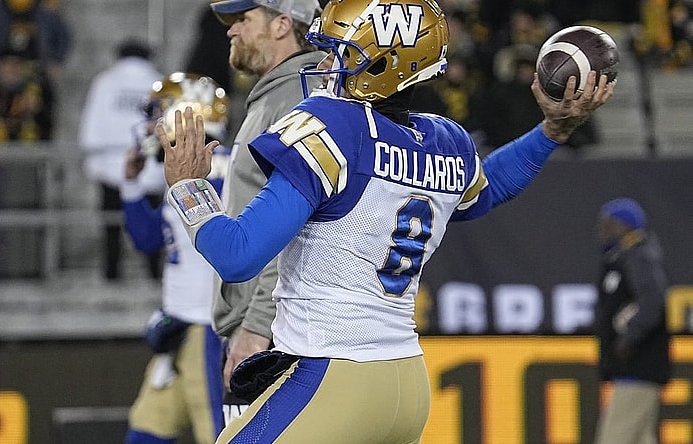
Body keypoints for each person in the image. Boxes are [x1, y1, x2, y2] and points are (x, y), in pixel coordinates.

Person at [156, 0, 614, 441]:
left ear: (382, 63)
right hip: (407, 381)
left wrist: (187, 187)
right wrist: (552, 132)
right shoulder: (444, 139)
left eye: (343, 52)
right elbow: (487, 189)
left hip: (333, 373)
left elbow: (238, 256)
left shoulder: (330, 126)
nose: (329, 63)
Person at [205, 0, 327, 419]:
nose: (231, 31)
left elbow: (298, 230)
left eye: (243, 19)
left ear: (280, 25)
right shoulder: (279, 94)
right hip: (274, 327)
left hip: (278, 334)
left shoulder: (296, 100)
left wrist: (257, 327)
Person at [122, 73, 229, 444]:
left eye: (160, 113)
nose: (152, 125)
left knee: (217, 435)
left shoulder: (221, 171)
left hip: (208, 330)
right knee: (144, 434)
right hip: (179, 330)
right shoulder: (184, 175)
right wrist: (131, 184)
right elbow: (149, 238)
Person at [77, 38, 164, 281]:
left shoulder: (104, 82)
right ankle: (154, 273)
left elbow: (91, 126)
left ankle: (112, 273)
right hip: (148, 165)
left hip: (109, 165)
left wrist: (93, 160)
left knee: (111, 225)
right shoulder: (158, 82)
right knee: (151, 222)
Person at [593, 197, 670, 444]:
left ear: (624, 226)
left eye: (609, 223)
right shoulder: (626, 257)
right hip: (635, 369)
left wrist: (629, 337)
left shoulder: (639, 256)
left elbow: (651, 303)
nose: (603, 229)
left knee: (614, 438)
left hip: (638, 367)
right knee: (640, 439)